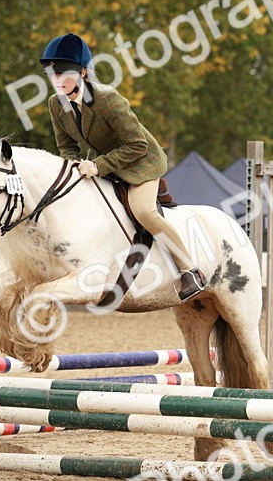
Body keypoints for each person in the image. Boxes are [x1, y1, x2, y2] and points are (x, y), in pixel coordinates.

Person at [40, 33, 206, 301]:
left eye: (63, 73)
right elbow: (67, 146)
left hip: (140, 163)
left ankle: (190, 270)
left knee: (144, 212)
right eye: (52, 74)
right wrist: (72, 167)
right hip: (103, 163)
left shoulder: (107, 99)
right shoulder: (55, 103)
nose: (57, 80)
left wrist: (98, 165)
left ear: (82, 72)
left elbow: (137, 145)